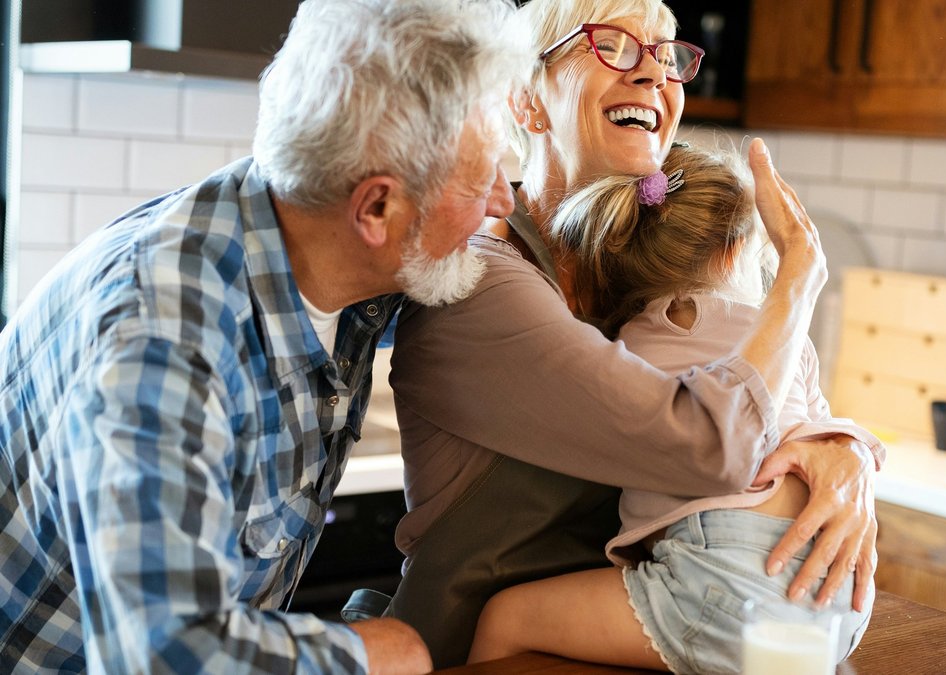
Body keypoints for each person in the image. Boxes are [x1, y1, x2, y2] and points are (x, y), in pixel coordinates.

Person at [0, 0, 531, 672]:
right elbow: (165, 654)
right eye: (481, 178)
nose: (501, 201)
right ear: (376, 207)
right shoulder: (163, 336)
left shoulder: (336, 257)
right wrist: (370, 654)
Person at [379, 0, 885, 667]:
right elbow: (711, 442)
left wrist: (843, 454)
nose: (653, 73)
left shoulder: (659, 278)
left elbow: (781, 397)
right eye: (612, 44)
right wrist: (799, 277)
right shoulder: (480, 279)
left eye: (667, 53)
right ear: (526, 100)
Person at [467, 144, 882, 672]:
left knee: (507, 619)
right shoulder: (787, 337)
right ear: (735, 255)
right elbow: (823, 426)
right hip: (840, 601)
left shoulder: (621, 347)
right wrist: (857, 449)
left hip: (724, 582)